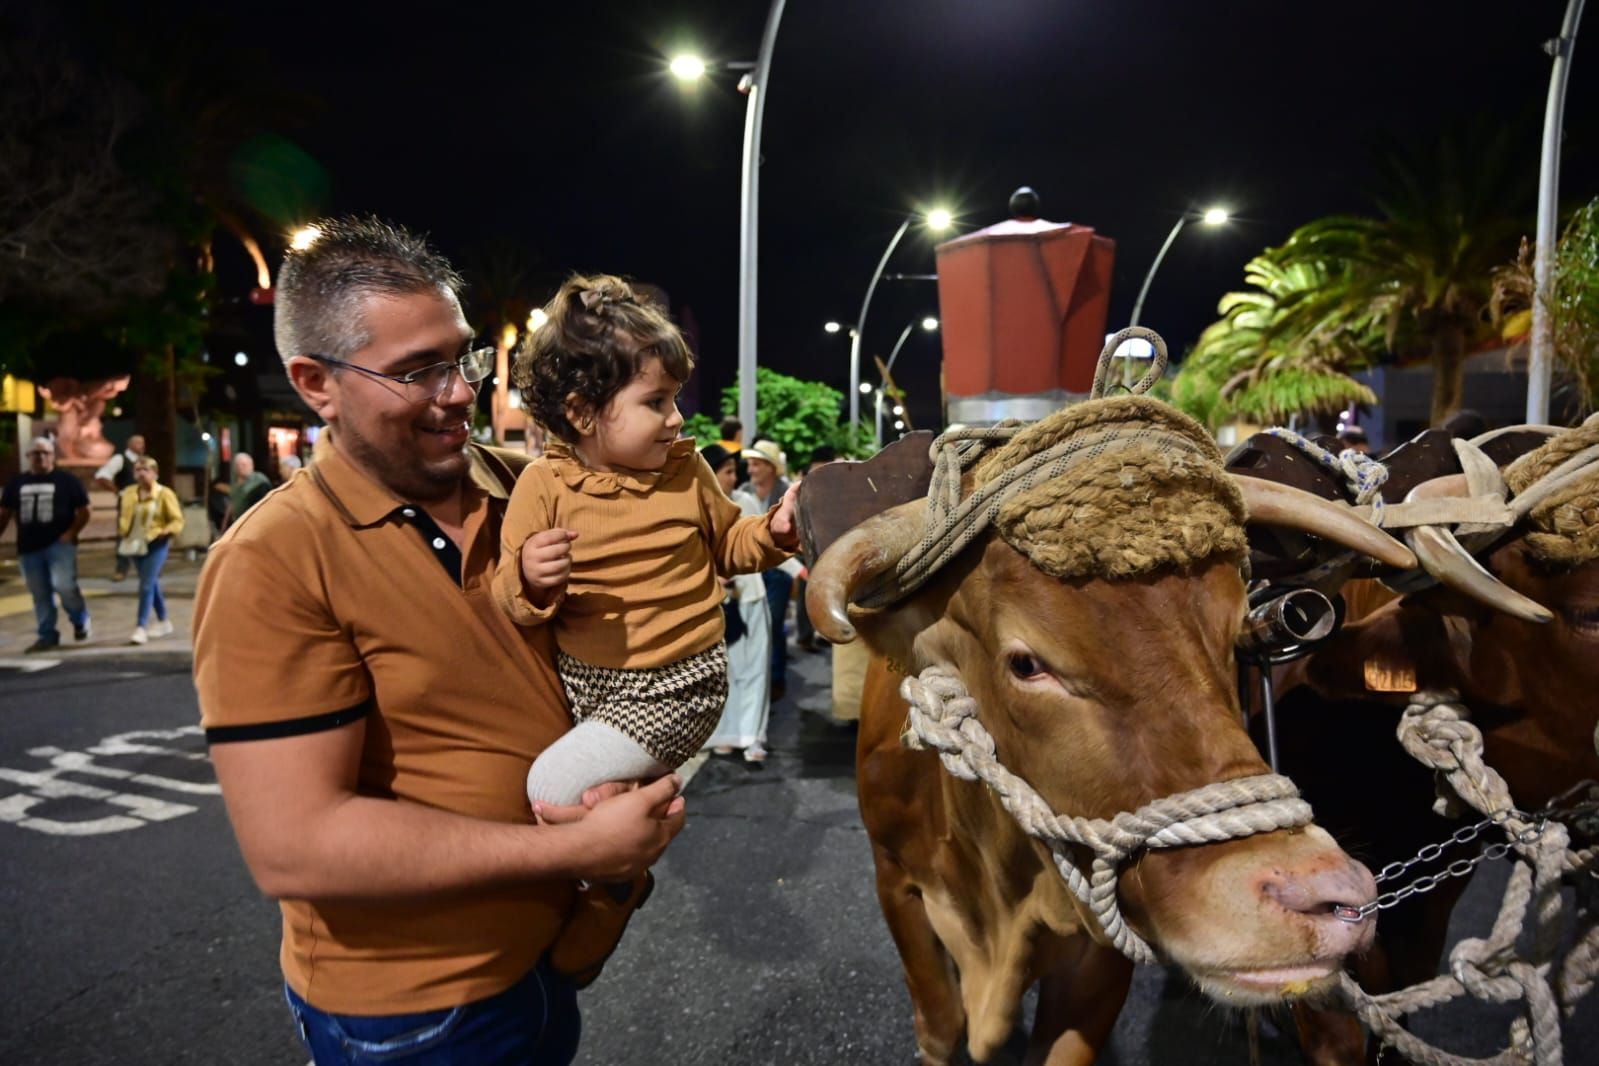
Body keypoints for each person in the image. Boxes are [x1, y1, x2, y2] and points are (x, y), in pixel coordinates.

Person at [193, 217, 685, 1066]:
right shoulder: (272, 559)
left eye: (460, 358)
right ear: (315, 382)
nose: (458, 392)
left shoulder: (525, 483)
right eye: (416, 371)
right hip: (416, 1013)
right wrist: (576, 847)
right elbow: (295, 844)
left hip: (552, 953)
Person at [494, 274, 800, 806]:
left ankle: (601, 867)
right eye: (655, 401)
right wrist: (528, 577)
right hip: (586, 687)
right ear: (582, 412)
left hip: (679, 683)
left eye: (674, 399)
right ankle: (611, 879)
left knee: (550, 787)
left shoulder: (685, 470)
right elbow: (509, 598)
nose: (676, 418)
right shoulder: (543, 484)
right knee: (596, 798)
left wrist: (773, 531)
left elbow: (730, 541)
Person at [698, 443, 774, 762]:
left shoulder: (745, 501)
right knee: (724, 672)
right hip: (715, 604)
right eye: (727, 471)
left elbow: (765, 543)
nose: (734, 477)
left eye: (733, 471)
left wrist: (800, 571)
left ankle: (753, 736)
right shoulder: (695, 508)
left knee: (755, 670)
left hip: (751, 597)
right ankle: (727, 735)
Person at [1, 437, 92, 652]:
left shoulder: (67, 481)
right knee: (40, 593)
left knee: (64, 586)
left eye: (45, 453)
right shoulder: (16, 484)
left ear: (53, 456)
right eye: (36, 453)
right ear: (28, 457)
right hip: (28, 548)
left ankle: (80, 619)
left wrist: (71, 533)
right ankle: (47, 634)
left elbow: (85, 511)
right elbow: (5, 513)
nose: (40, 457)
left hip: (59, 545)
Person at [739, 439, 795, 702]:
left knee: (773, 623)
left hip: (779, 569)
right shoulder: (743, 491)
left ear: (771, 467)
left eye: (757, 464)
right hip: (751, 571)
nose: (751, 469)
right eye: (749, 464)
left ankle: (775, 679)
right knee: (754, 627)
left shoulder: (787, 494)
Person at [117, 456, 184, 644]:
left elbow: (177, 520)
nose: (140, 473)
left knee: (145, 585)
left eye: (145, 469)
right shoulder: (129, 493)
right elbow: (124, 517)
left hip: (156, 543)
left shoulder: (164, 494)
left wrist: (166, 531)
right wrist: (122, 531)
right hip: (135, 544)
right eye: (137, 469)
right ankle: (164, 621)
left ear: (155, 473)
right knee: (151, 583)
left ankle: (141, 626)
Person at [792, 445, 836, 653]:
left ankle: (808, 634)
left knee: (809, 593)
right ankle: (817, 633)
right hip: (820, 543)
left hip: (812, 543)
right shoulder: (832, 475)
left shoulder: (810, 477)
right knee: (818, 591)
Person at [94, 433, 146, 581]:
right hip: (128, 503)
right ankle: (121, 568)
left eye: (142, 443)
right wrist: (118, 492)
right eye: (137, 442)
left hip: (145, 502)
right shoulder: (120, 459)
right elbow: (102, 476)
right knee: (125, 534)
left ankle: (145, 568)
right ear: (129, 444)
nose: (141, 446)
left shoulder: (143, 461)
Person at [223, 452, 272, 529]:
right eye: (238, 465)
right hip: (239, 524)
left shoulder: (259, 481)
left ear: (251, 465)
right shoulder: (236, 484)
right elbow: (231, 504)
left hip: (255, 524)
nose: (240, 468)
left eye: (243, 465)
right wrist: (224, 526)